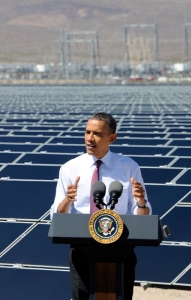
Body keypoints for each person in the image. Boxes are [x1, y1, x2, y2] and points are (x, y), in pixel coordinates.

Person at [50, 112, 151, 300]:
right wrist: (67, 200)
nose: (90, 138)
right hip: (82, 250)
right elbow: (57, 215)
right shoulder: (70, 168)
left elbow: (141, 216)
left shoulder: (129, 167)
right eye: (87, 132)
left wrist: (141, 202)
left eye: (97, 134)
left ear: (112, 138)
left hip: (121, 249)